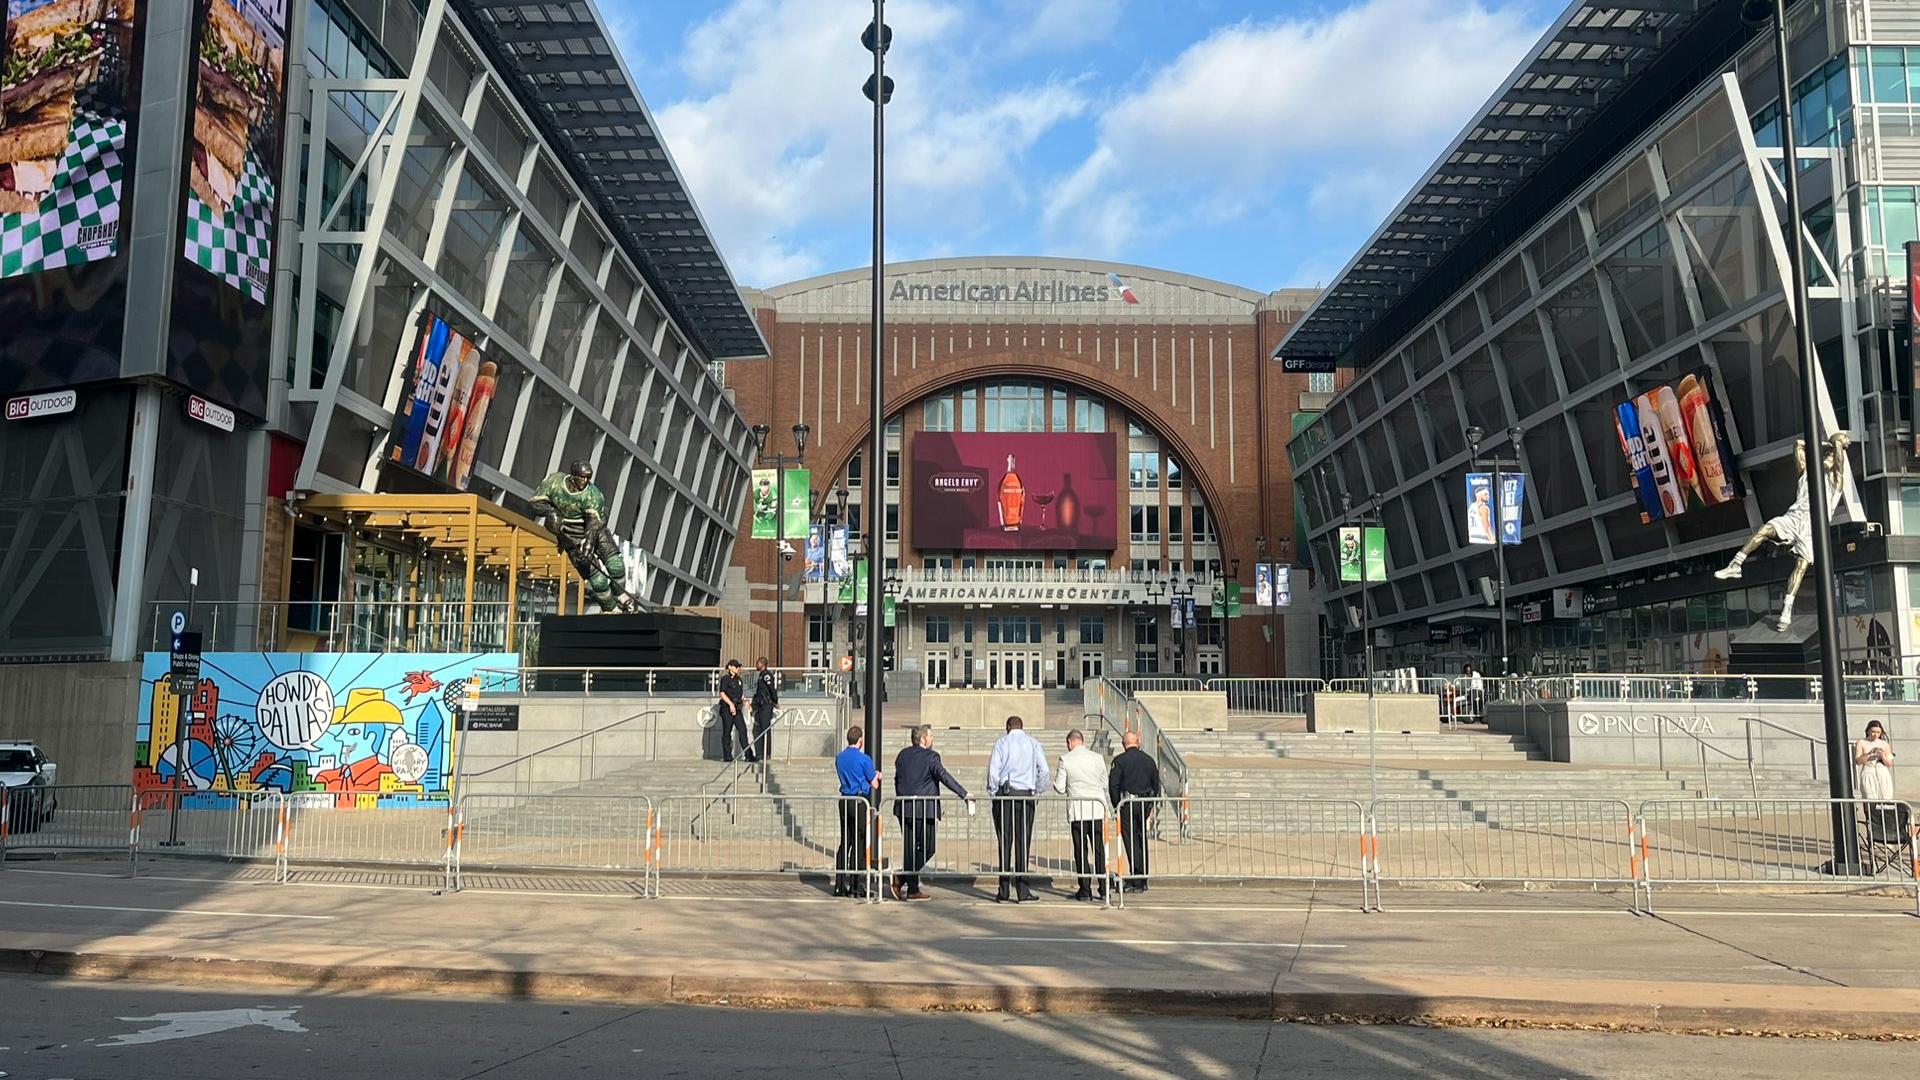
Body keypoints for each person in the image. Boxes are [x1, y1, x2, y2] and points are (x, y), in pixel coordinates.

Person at [528, 460, 634, 612]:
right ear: (572, 476)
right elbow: (533, 503)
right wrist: (550, 512)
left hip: (595, 530)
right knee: (598, 581)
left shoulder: (593, 495)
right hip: (570, 537)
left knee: (616, 565)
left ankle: (620, 593)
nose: (585, 481)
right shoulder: (554, 482)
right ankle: (610, 609)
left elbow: (594, 522)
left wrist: (589, 542)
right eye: (582, 477)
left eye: (588, 478)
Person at [891, 724, 973, 901]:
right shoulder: (931, 757)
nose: (932, 739)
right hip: (924, 808)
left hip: (904, 807)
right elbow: (943, 776)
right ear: (923, 739)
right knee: (928, 848)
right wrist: (964, 794)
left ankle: (909, 884)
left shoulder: (902, 755)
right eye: (931, 736)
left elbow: (897, 780)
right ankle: (905, 881)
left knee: (910, 849)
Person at [987, 716, 1049, 902]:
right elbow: (1044, 770)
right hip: (1025, 796)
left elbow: (993, 771)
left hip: (1006, 795)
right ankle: (1023, 891)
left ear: (1008, 727)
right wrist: (1037, 791)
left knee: (1004, 842)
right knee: (1023, 841)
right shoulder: (1033, 743)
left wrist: (992, 791)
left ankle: (1004, 891)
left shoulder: (1001, 742)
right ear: (1022, 726)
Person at [1053, 729, 1110, 902]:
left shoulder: (1065, 759)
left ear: (1070, 742)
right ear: (1082, 741)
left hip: (1078, 810)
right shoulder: (1097, 758)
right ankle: (1103, 888)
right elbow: (1104, 782)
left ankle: (1085, 889)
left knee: (1081, 850)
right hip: (1097, 808)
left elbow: (1060, 787)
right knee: (1099, 849)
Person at [1107, 730, 1161, 893]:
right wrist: (1151, 805)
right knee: (1141, 839)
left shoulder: (1120, 761)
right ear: (1138, 742)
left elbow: (1113, 785)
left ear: (1124, 744)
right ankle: (1143, 878)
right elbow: (1156, 785)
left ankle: (1135, 878)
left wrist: (1117, 804)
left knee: (1130, 841)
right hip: (1144, 802)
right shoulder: (1149, 760)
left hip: (1127, 803)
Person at [833, 725, 879, 898]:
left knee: (845, 841)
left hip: (845, 799)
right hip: (859, 801)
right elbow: (874, 784)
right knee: (859, 841)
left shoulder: (840, 757)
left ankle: (839, 884)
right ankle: (855, 884)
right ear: (860, 740)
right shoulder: (864, 758)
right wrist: (876, 776)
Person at [716, 659, 753, 762]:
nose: (738, 669)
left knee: (742, 730)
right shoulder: (725, 679)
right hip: (727, 709)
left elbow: (740, 694)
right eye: (736, 666)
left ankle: (749, 754)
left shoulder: (739, 680)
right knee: (727, 732)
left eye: (738, 667)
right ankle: (727, 756)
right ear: (730, 667)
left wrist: (745, 700)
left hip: (737, 708)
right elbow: (722, 694)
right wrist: (730, 704)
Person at [1855, 720, 1896, 803]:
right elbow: (1858, 761)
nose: (1875, 734)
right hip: (1868, 770)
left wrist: (1882, 755)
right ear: (1868, 731)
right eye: (1873, 732)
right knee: (1869, 797)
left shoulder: (1884, 744)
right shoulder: (1861, 742)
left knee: (1886, 796)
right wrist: (1870, 753)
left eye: (1878, 732)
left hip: (1882, 771)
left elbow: (1889, 764)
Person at [751, 657, 779, 762]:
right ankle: (761, 753)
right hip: (761, 705)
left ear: (762, 664)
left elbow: (772, 689)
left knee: (765, 728)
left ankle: (766, 753)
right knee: (760, 729)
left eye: (757, 663)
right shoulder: (761, 675)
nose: (756, 666)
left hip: (766, 705)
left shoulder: (766, 675)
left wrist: (775, 701)